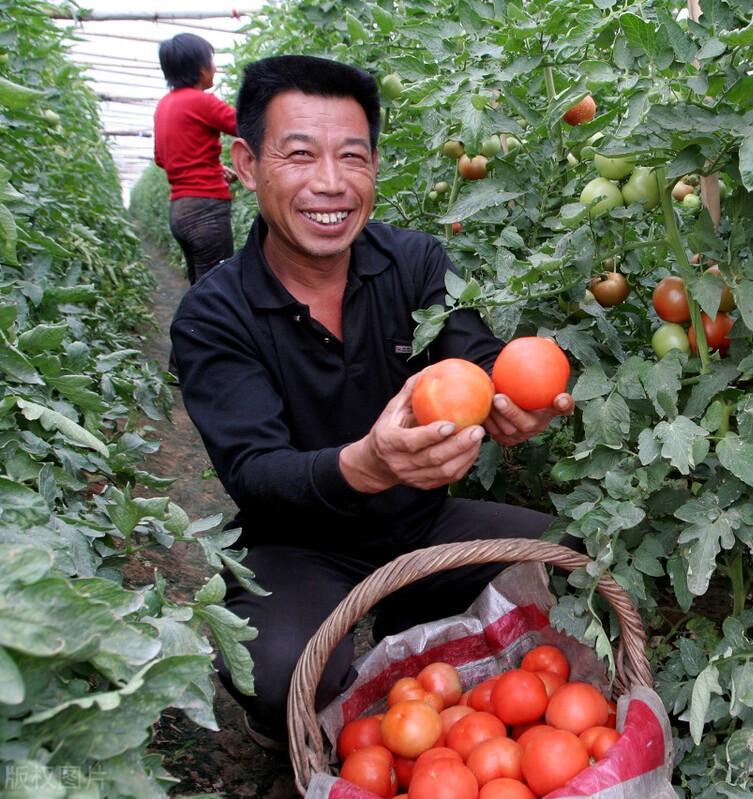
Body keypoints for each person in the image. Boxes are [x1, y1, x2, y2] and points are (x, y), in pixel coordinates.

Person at [169, 55, 577, 747]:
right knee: (278, 675)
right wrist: (364, 464)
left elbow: (475, 357)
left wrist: (514, 404)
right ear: (246, 163)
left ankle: (409, 628)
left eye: (351, 156)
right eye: (299, 154)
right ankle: (300, 704)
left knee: (572, 563)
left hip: (421, 524)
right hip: (295, 545)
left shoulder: (416, 263)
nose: (330, 182)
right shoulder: (214, 315)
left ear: (374, 166)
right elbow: (255, 471)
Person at [154, 33, 239, 285]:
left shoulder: (164, 106)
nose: (214, 68)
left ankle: (191, 325)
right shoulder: (202, 102)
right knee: (219, 288)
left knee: (200, 286)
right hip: (206, 210)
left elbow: (161, 158)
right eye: (212, 62)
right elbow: (246, 125)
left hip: (180, 211)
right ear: (201, 69)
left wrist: (214, 166)